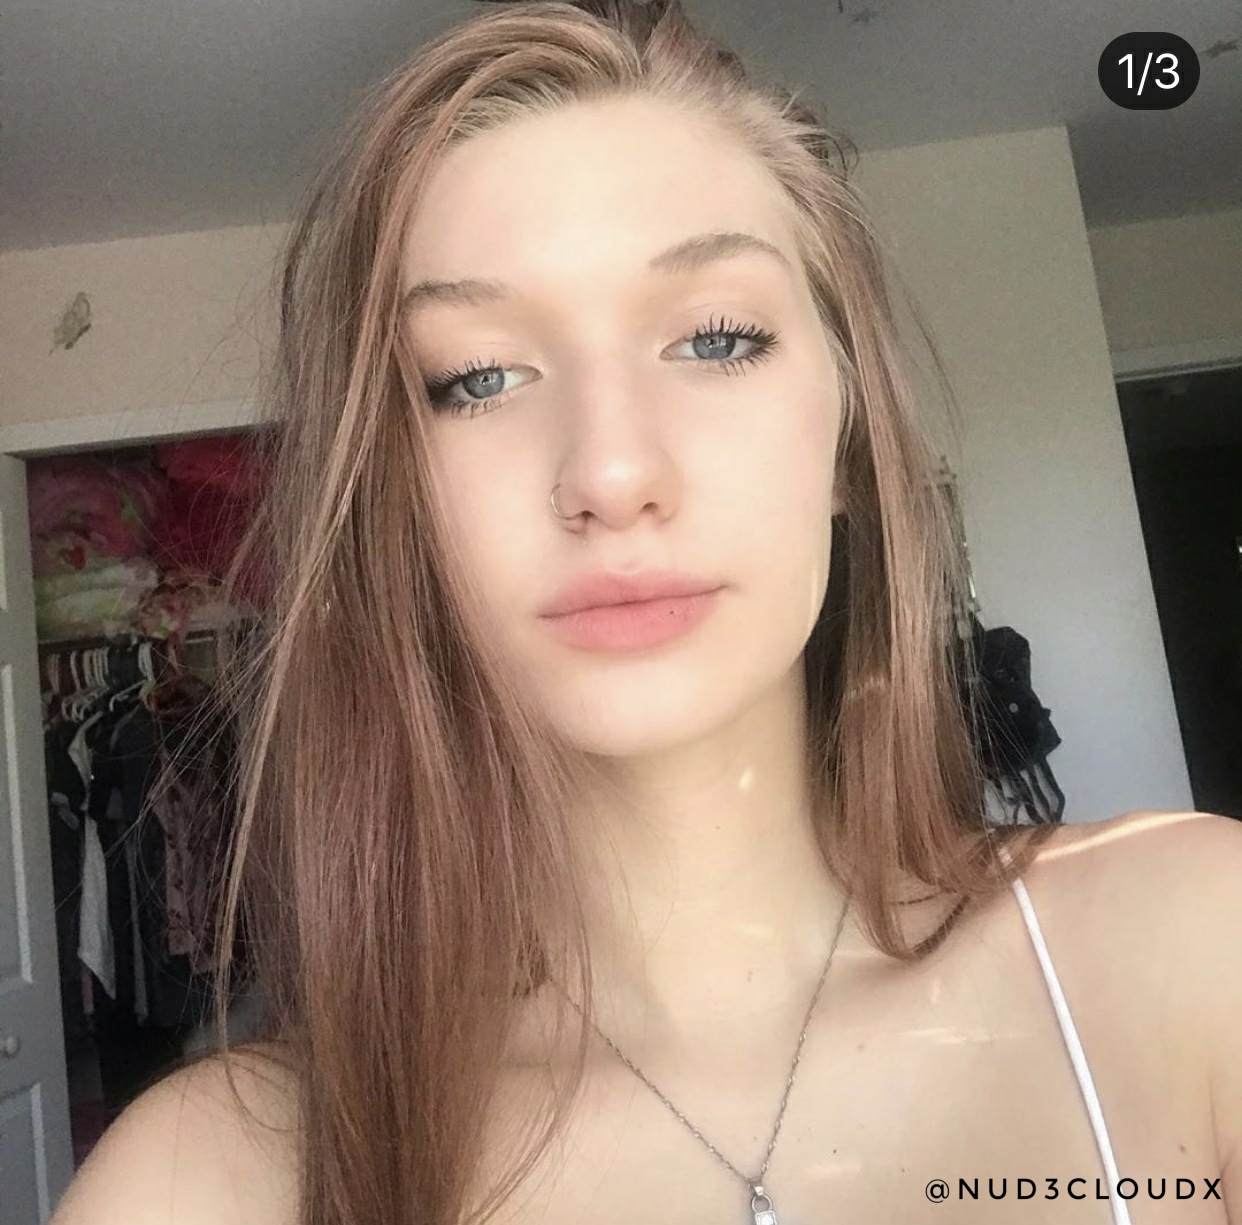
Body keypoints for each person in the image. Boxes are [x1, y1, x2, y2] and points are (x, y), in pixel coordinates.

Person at [51, 2, 1241, 1223]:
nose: (611, 472)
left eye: (717, 339)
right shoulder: (208, 1179)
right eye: (477, 377)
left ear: (846, 438)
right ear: (391, 502)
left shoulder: (1200, 949)